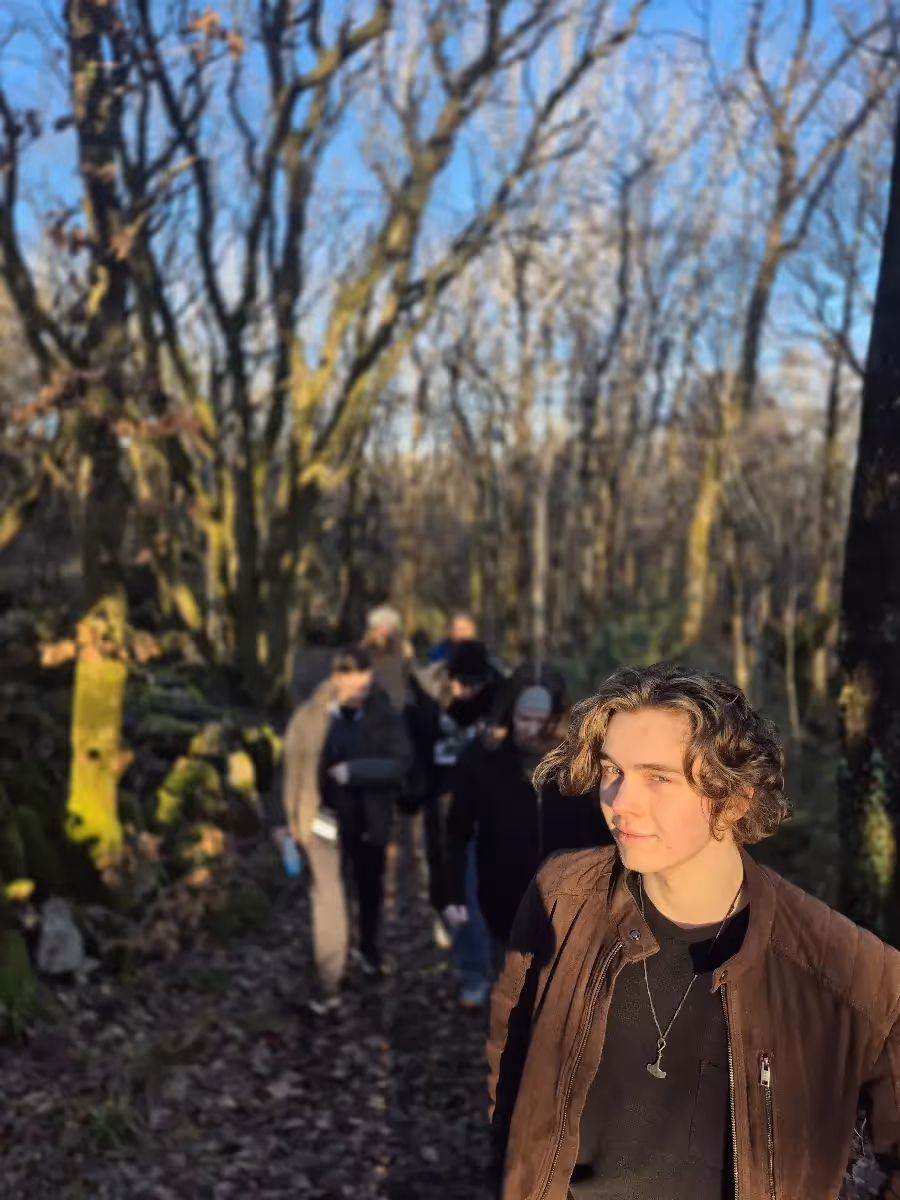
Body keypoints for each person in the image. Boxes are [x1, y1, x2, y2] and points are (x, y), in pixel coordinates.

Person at [487, 663, 900, 1200]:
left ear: (735, 797)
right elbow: (509, 1067)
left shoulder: (850, 969)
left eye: (658, 777)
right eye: (613, 770)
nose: (619, 802)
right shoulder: (563, 896)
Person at [443, 666, 612, 975]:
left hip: (572, 913)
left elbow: (604, 833)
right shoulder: (480, 759)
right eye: (524, 719)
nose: (533, 729)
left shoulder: (581, 761)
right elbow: (456, 832)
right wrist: (452, 893)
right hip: (503, 909)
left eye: (541, 720)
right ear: (509, 714)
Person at [273, 647, 412, 1013]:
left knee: (369, 889)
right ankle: (329, 981)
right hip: (322, 820)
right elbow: (289, 768)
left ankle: (368, 949)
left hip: (369, 820)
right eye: (351, 688)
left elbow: (401, 763)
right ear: (335, 679)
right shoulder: (308, 716)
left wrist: (356, 771)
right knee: (329, 897)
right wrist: (285, 821)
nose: (357, 695)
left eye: (363, 688)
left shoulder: (384, 713)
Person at [408, 639, 502, 1003]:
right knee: (446, 889)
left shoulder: (501, 694)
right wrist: (413, 788)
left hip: (488, 808)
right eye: (462, 683)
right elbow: (410, 749)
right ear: (449, 676)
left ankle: (479, 971)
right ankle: (466, 954)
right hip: (441, 808)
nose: (468, 691)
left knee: (479, 892)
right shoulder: (426, 696)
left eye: (475, 683)